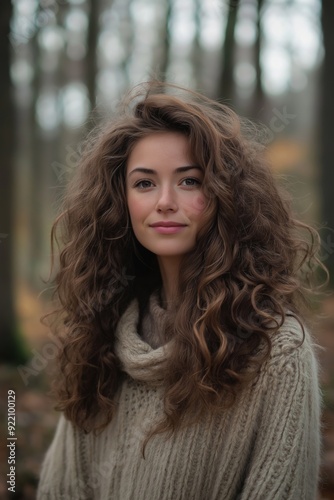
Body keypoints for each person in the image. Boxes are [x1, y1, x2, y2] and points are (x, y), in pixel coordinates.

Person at [37, 81, 324, 500]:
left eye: (189, 182)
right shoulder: (98, 343)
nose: (165, 201)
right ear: (120, 202)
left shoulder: (277, 353)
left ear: (225, 195)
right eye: (144, 183)